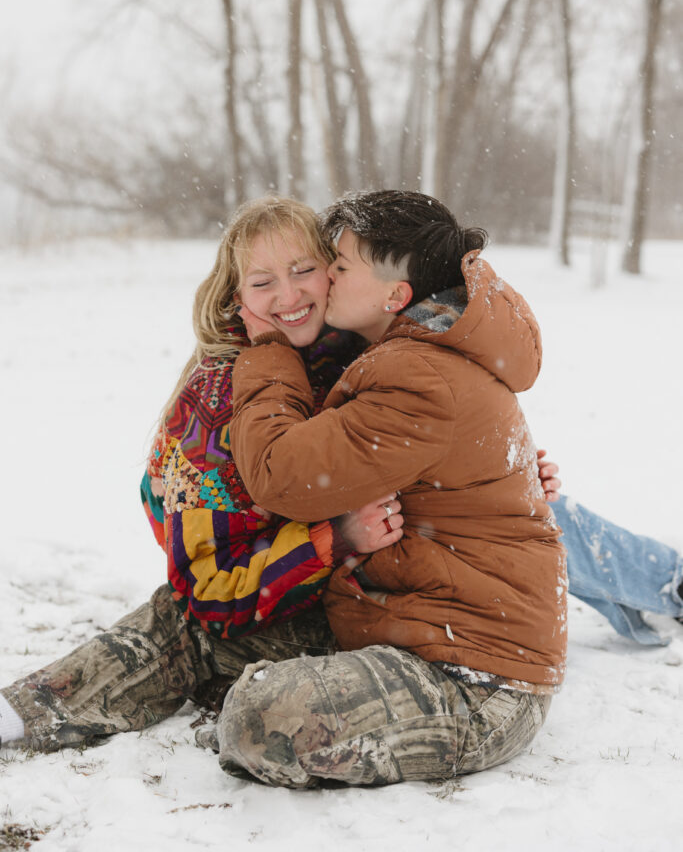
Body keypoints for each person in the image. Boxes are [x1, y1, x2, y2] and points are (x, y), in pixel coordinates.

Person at [1, 193, 681, 757]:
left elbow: (414, 424)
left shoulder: (369, 349)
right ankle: (30, 710)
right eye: (262, 282)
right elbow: (210, 583)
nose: (291, 295)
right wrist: (335, 540)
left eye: (309, 268)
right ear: (233, 295)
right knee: (180, 621)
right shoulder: (212, 410)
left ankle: (663, 580)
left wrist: (497, 474)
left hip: (420, 607)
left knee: (549, 516)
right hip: (338, 591)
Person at [221, 189, 567, 787]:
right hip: (427, 624)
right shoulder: (418, 349)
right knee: (216, 632)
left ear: (395, 296)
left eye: (341, 266)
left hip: (477, 681)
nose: (326, 274)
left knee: (264, 720)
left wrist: (270, 351)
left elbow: (280, 474)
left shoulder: (416, 374)